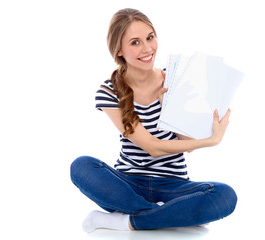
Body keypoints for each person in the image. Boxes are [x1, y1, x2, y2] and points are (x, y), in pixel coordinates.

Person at [70, 8, 237, 232]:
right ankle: (173, 213)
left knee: (225, 195)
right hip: (127, 184)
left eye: (150, 37)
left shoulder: (174, 77)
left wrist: (167, 107)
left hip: (174, 184)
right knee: (81, 166)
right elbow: (152, 148)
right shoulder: (109, 91)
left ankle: (127, 220)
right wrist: (210, 141)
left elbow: (185, 142)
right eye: (135, 42)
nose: (147, 48)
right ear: (119, 50)